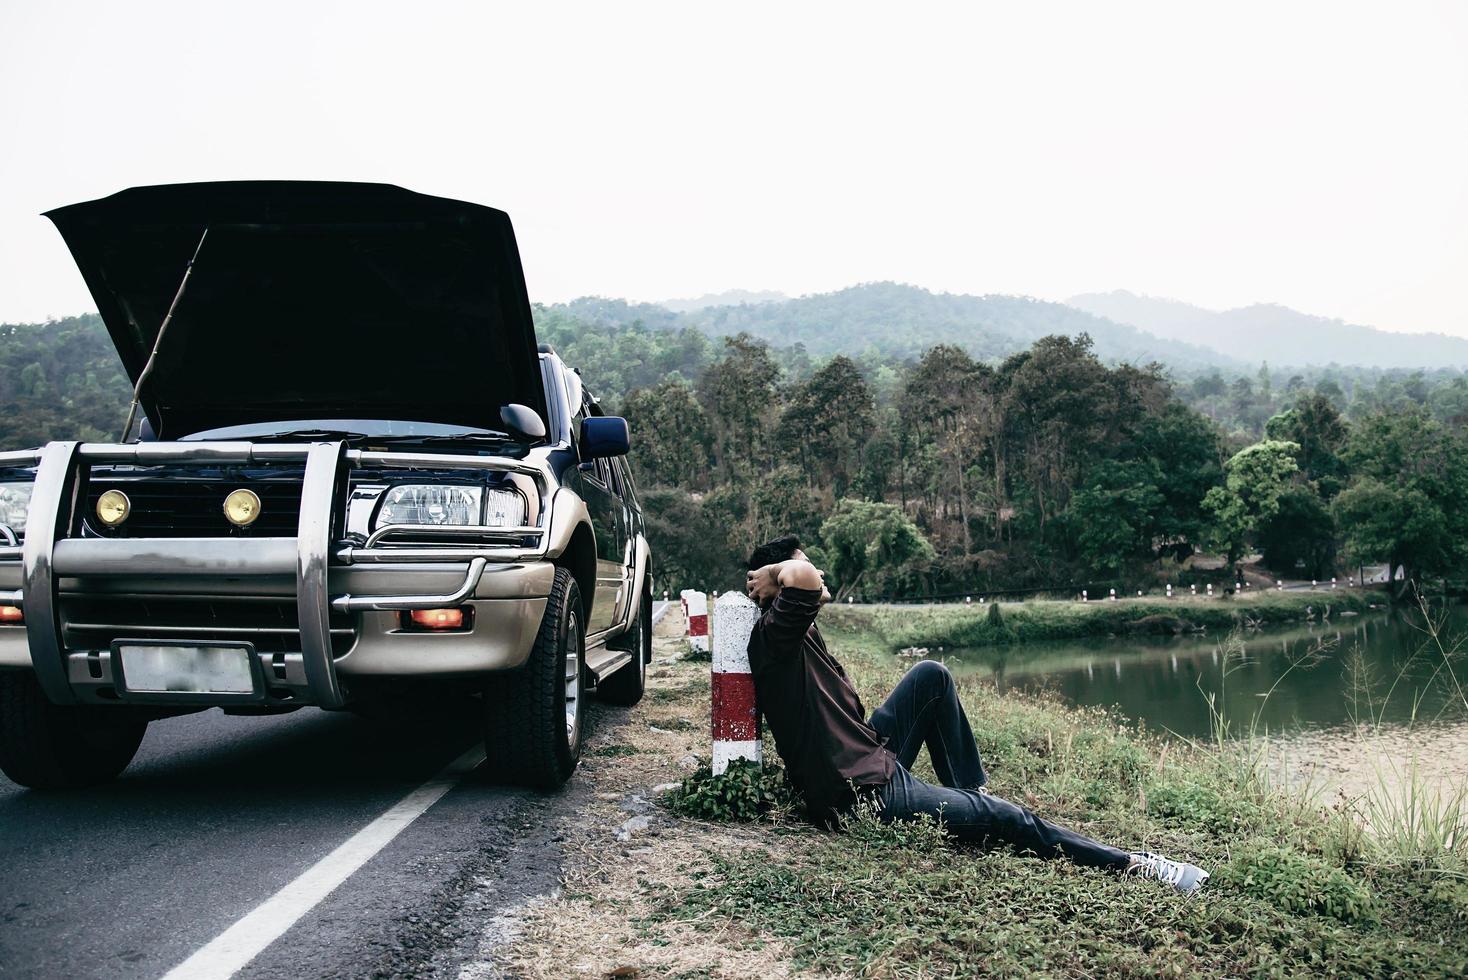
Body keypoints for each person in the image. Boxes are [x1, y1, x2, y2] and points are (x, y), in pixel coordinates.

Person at [743, 534, 1209, 894]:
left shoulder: (793, 629)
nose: (817, 573)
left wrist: (792, 574)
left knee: (931, 677)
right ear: (775, 582)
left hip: (863, 756)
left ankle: (972, 797)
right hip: (862, 793)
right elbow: (806, 580)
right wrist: (787, 568)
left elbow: (813, 588)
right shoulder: (775, 636)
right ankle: (1135, 865)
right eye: (804, 562)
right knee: (1012, 819)